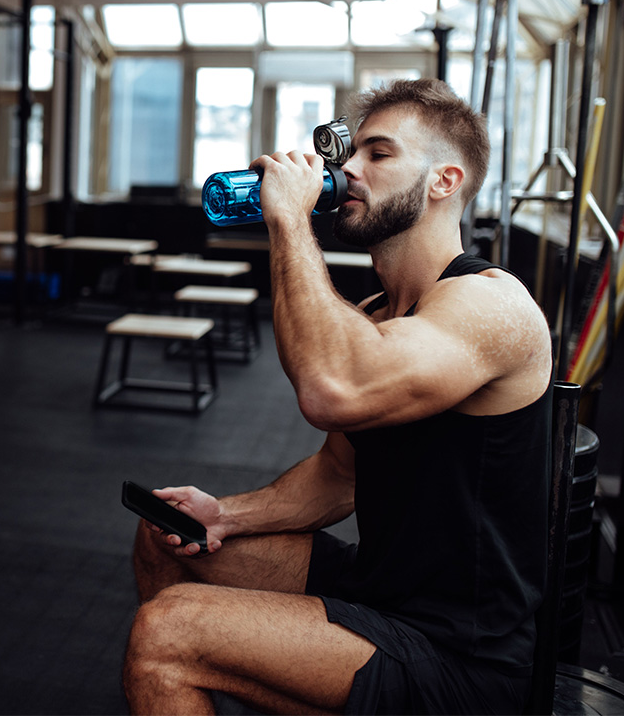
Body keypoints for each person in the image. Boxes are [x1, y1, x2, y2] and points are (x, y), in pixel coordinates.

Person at [123, 78, 554, 715]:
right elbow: (336, 477)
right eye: (350, 153)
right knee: (163, 536)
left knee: (169, 632)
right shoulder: (378, 311)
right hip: (380, 591)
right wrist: (226, 516)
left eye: (378, 155)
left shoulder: (490, 303)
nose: (348, 169)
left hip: (462, 657)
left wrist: (289, 221)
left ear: (444, 181)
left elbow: (332, 390)